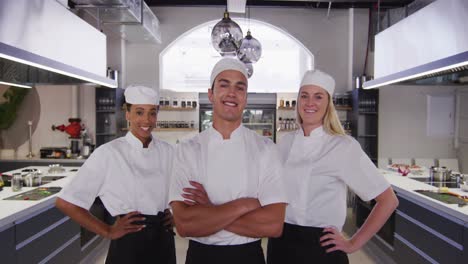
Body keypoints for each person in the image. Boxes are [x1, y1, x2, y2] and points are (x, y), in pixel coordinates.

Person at [267, 70, 399, 264]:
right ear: (298, 102)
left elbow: (388, 200)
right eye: (304, 96)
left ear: (328, 104)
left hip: (320, 248)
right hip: (281, 243)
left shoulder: (343, 147)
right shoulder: (285, 143)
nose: (310, 103)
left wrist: (353, 243)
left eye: (318, 96)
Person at [169, 58, 288, 264]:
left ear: (245, 98)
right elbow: (185, 225)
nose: (232, 93)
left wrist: (208, 210)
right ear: (211, 94)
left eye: (239, 88)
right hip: (201, 257)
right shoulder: (187, 151)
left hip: (248, 256)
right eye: (224, 85)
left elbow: (273, 226)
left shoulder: (266, 149)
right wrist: (245, 205)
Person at [56, 85, 176, 264]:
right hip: (129, 242)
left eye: (152, 113)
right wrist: (107, 231)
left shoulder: (169, 152)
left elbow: (179, 190)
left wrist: (174, 214)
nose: (147, 120)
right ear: (127, 114)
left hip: (163, 239)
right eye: (139, 112)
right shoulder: (109, 153)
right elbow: (66, 202)